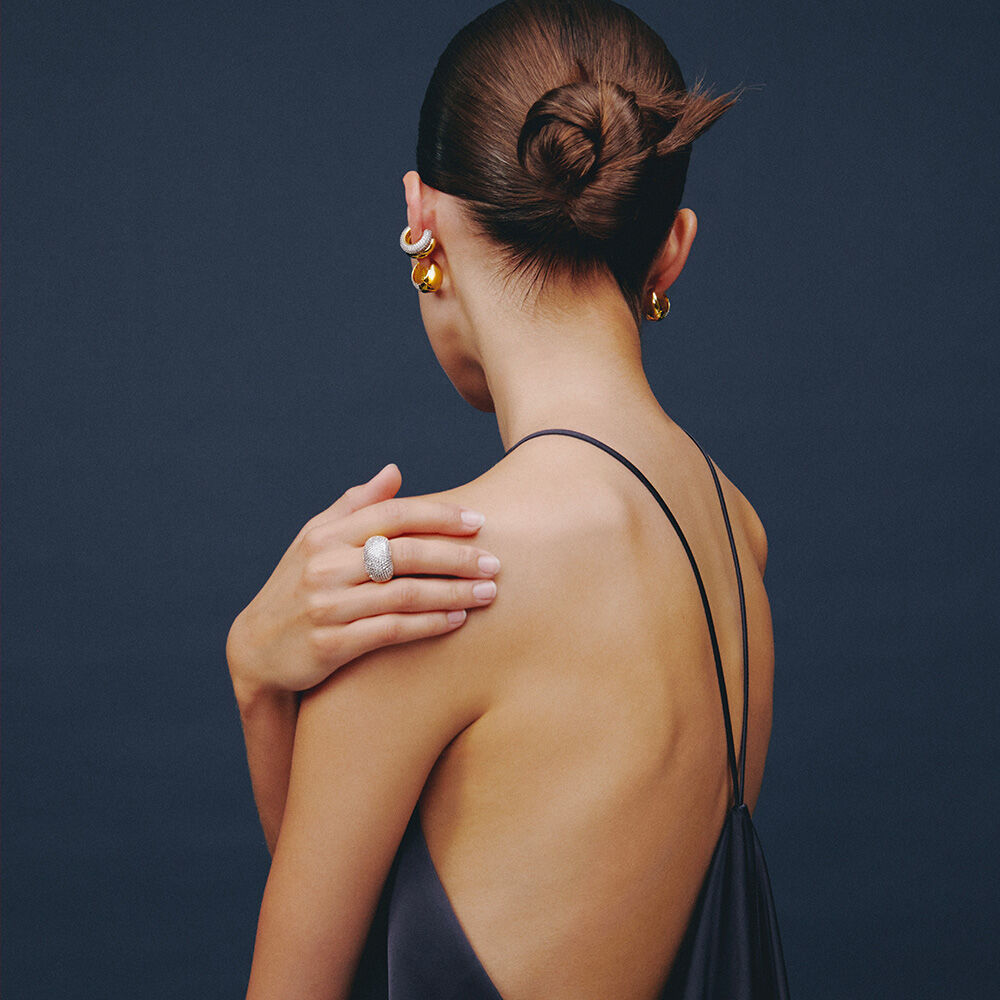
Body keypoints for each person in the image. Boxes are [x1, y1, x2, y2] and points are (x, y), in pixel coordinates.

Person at [233, 2, 781, 997]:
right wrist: (266, 697)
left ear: (421, 218)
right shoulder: (737, 535)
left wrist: (254, 675)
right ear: (672, 248)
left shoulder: (430, 584)